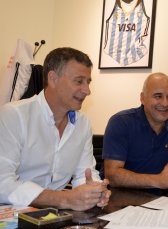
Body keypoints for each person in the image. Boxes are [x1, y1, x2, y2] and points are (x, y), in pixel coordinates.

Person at [0, 47, 111, 211]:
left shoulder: (83, 123)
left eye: (88, 82)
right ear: (53, 78)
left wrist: (94, 190)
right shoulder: (14, 115)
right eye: (79, 81)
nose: (87, 90)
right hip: (12, 216)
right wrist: (64, 199)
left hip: (56, 216)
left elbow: (84, 174)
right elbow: (3, 182)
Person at [103, 72, 168, 190]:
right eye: (158, 96)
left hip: (164, 199)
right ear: (142, 98)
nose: (165, 103)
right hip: (121, 198)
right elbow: (112, 175)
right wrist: (158, 180)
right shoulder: (121, 122)